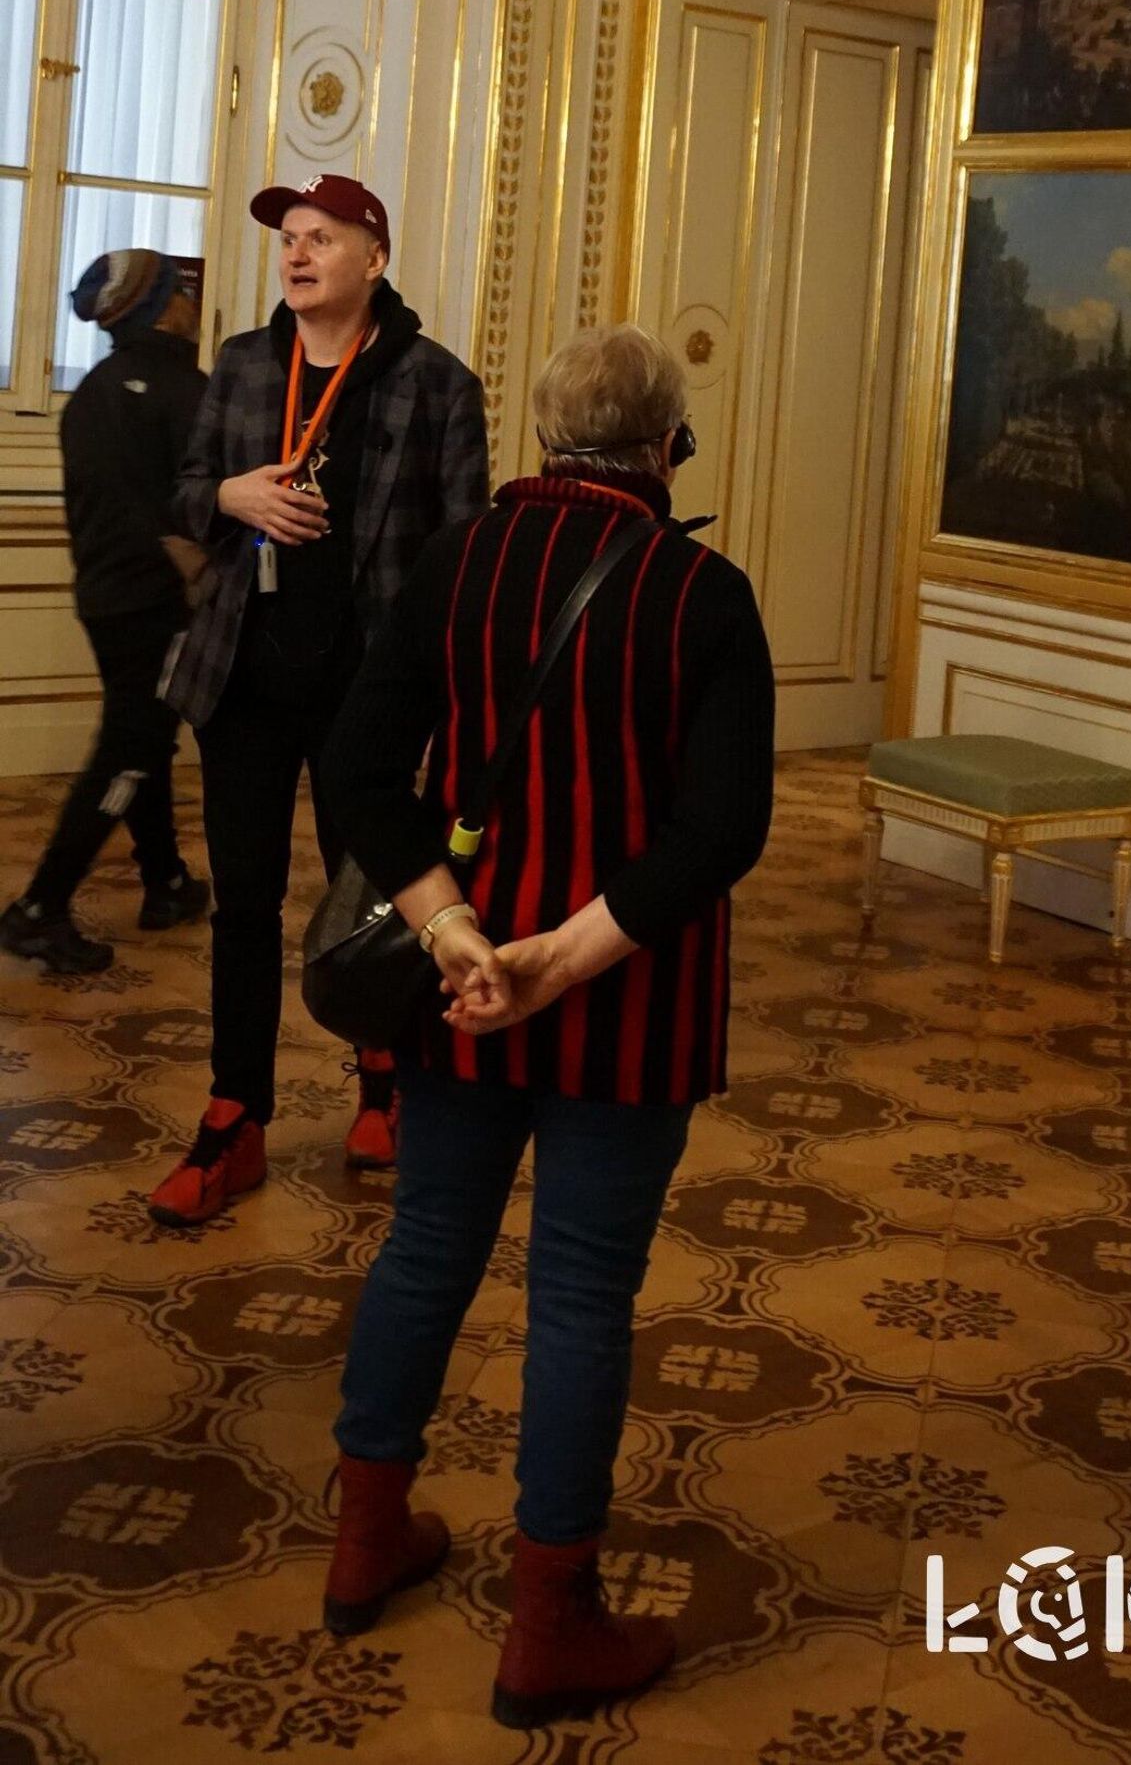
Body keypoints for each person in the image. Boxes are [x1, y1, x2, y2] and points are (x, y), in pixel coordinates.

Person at [316, 324, 775, 1731]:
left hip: (459, 989)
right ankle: (549, 1623)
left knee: (425, 1250)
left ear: (540, 435)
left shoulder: (458, 559)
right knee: (579, 1294)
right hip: (626, 1001)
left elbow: (358, 767)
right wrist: (563, 960)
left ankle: (364, 1537)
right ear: (666, 447)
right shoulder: (703, 593)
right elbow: (722, 827)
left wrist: (457, 935)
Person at [145, 176, 489, 1227]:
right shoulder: (247, 362)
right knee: (244, 906)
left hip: (368, 697)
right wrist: (230, 495)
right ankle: (235, 1114)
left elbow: (464, 550)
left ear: (373, 259)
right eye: (289, 238)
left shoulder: (438, 382)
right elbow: (184, 493)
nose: (295, 254)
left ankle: (383, 1079)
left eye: (321, 238)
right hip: (244, 680)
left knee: (375, 900)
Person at [1, 250, 210, 976]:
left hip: (105, 599)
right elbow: (198, 508)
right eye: (180, 290)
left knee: (142, 734)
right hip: (161, 604)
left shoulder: (91, 393)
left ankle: (167, 882)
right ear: (161, 307)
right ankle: (40, 907)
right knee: (131, 747)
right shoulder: (185, 390)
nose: (191, 301)